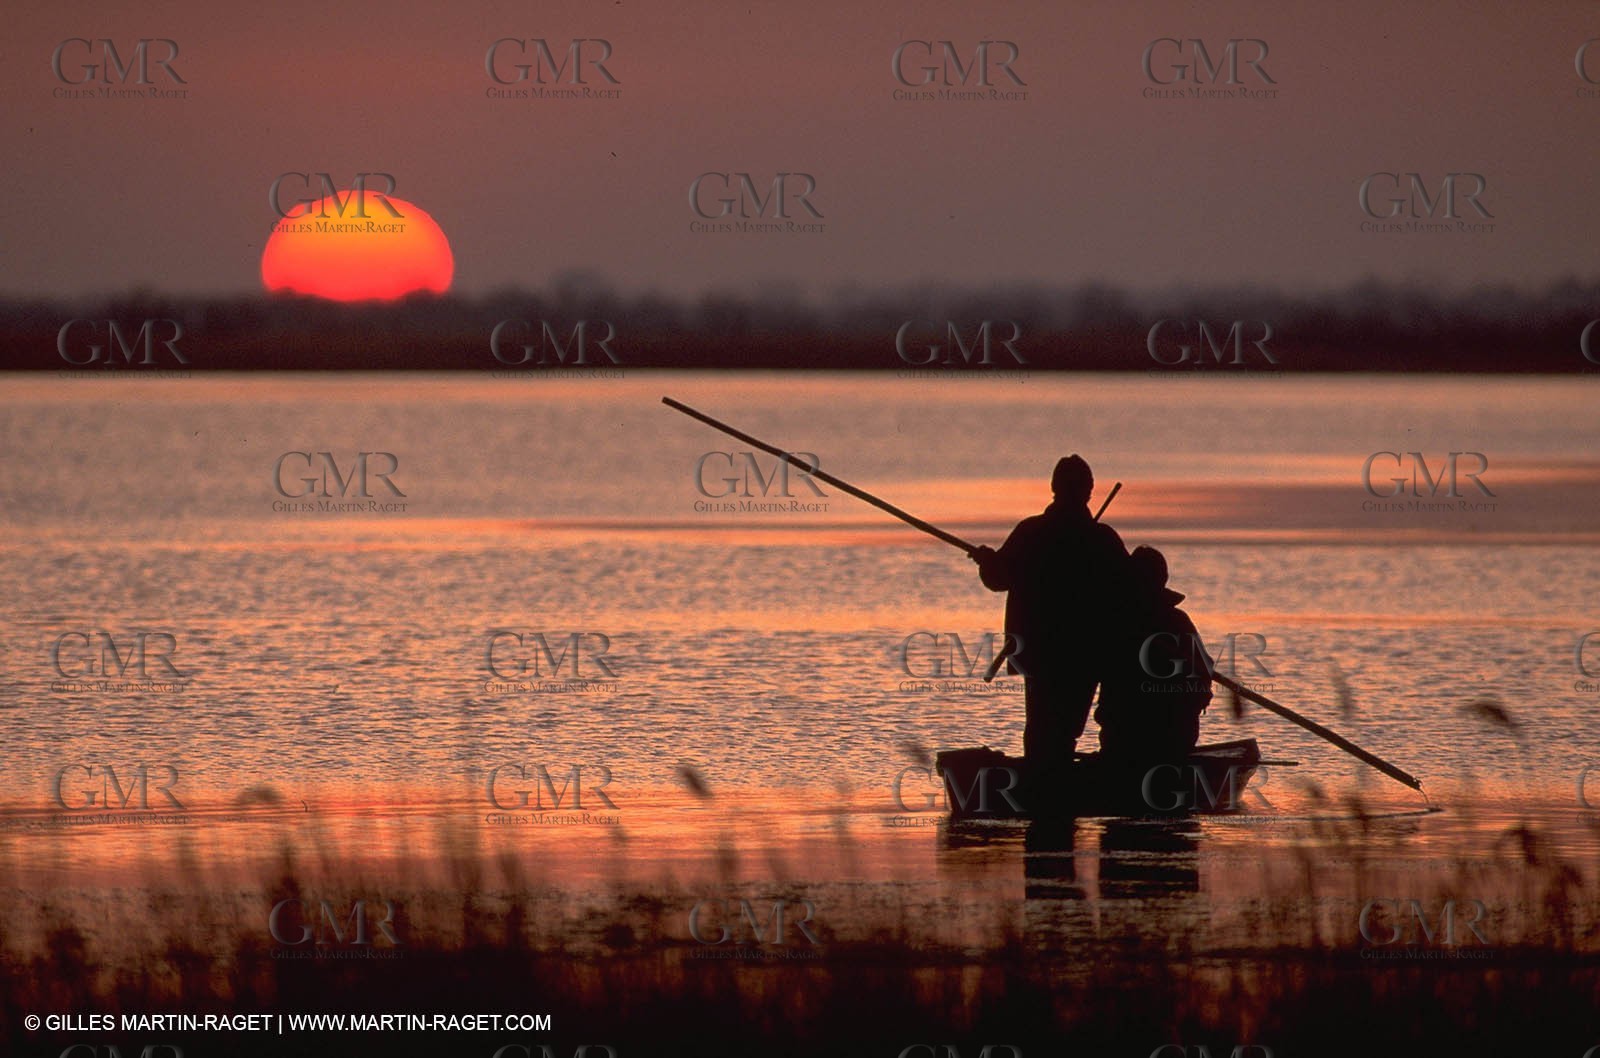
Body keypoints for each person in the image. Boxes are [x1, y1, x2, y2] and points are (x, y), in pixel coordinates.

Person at [970, 455, 1129, 773]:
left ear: (1054, 487)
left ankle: (1044, 794)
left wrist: (988, 562)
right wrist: (990, 562)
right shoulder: (1101, 539)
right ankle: (1052, 794)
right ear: (1089, 490)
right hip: (1084, 654)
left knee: (1042, 730)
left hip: (1039, 652)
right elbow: (1129, 593)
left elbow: (998, 579)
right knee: (1065, 730)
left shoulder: (1032, 532)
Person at [1094, 546, 1211, 762]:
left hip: (1163, 738)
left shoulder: (1114, 622)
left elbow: (1203, 674)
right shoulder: (1117, 623)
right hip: (1126, 737)